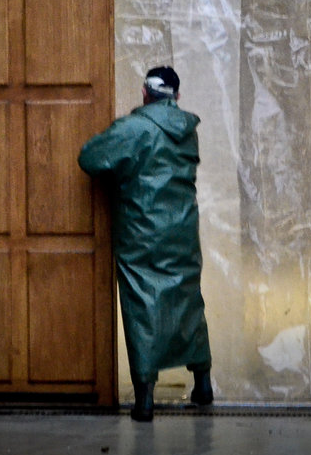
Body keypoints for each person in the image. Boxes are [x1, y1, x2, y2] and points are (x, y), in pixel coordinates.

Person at [78, 65, 213, 422]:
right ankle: (202, 384)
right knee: (187, 302)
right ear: (177, 97)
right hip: (182, 228)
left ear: (144, 93)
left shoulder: (134, 128)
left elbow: (90, 158)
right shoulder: (188, 130)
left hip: (142, 230)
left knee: (143, 308)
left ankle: (145, 400)